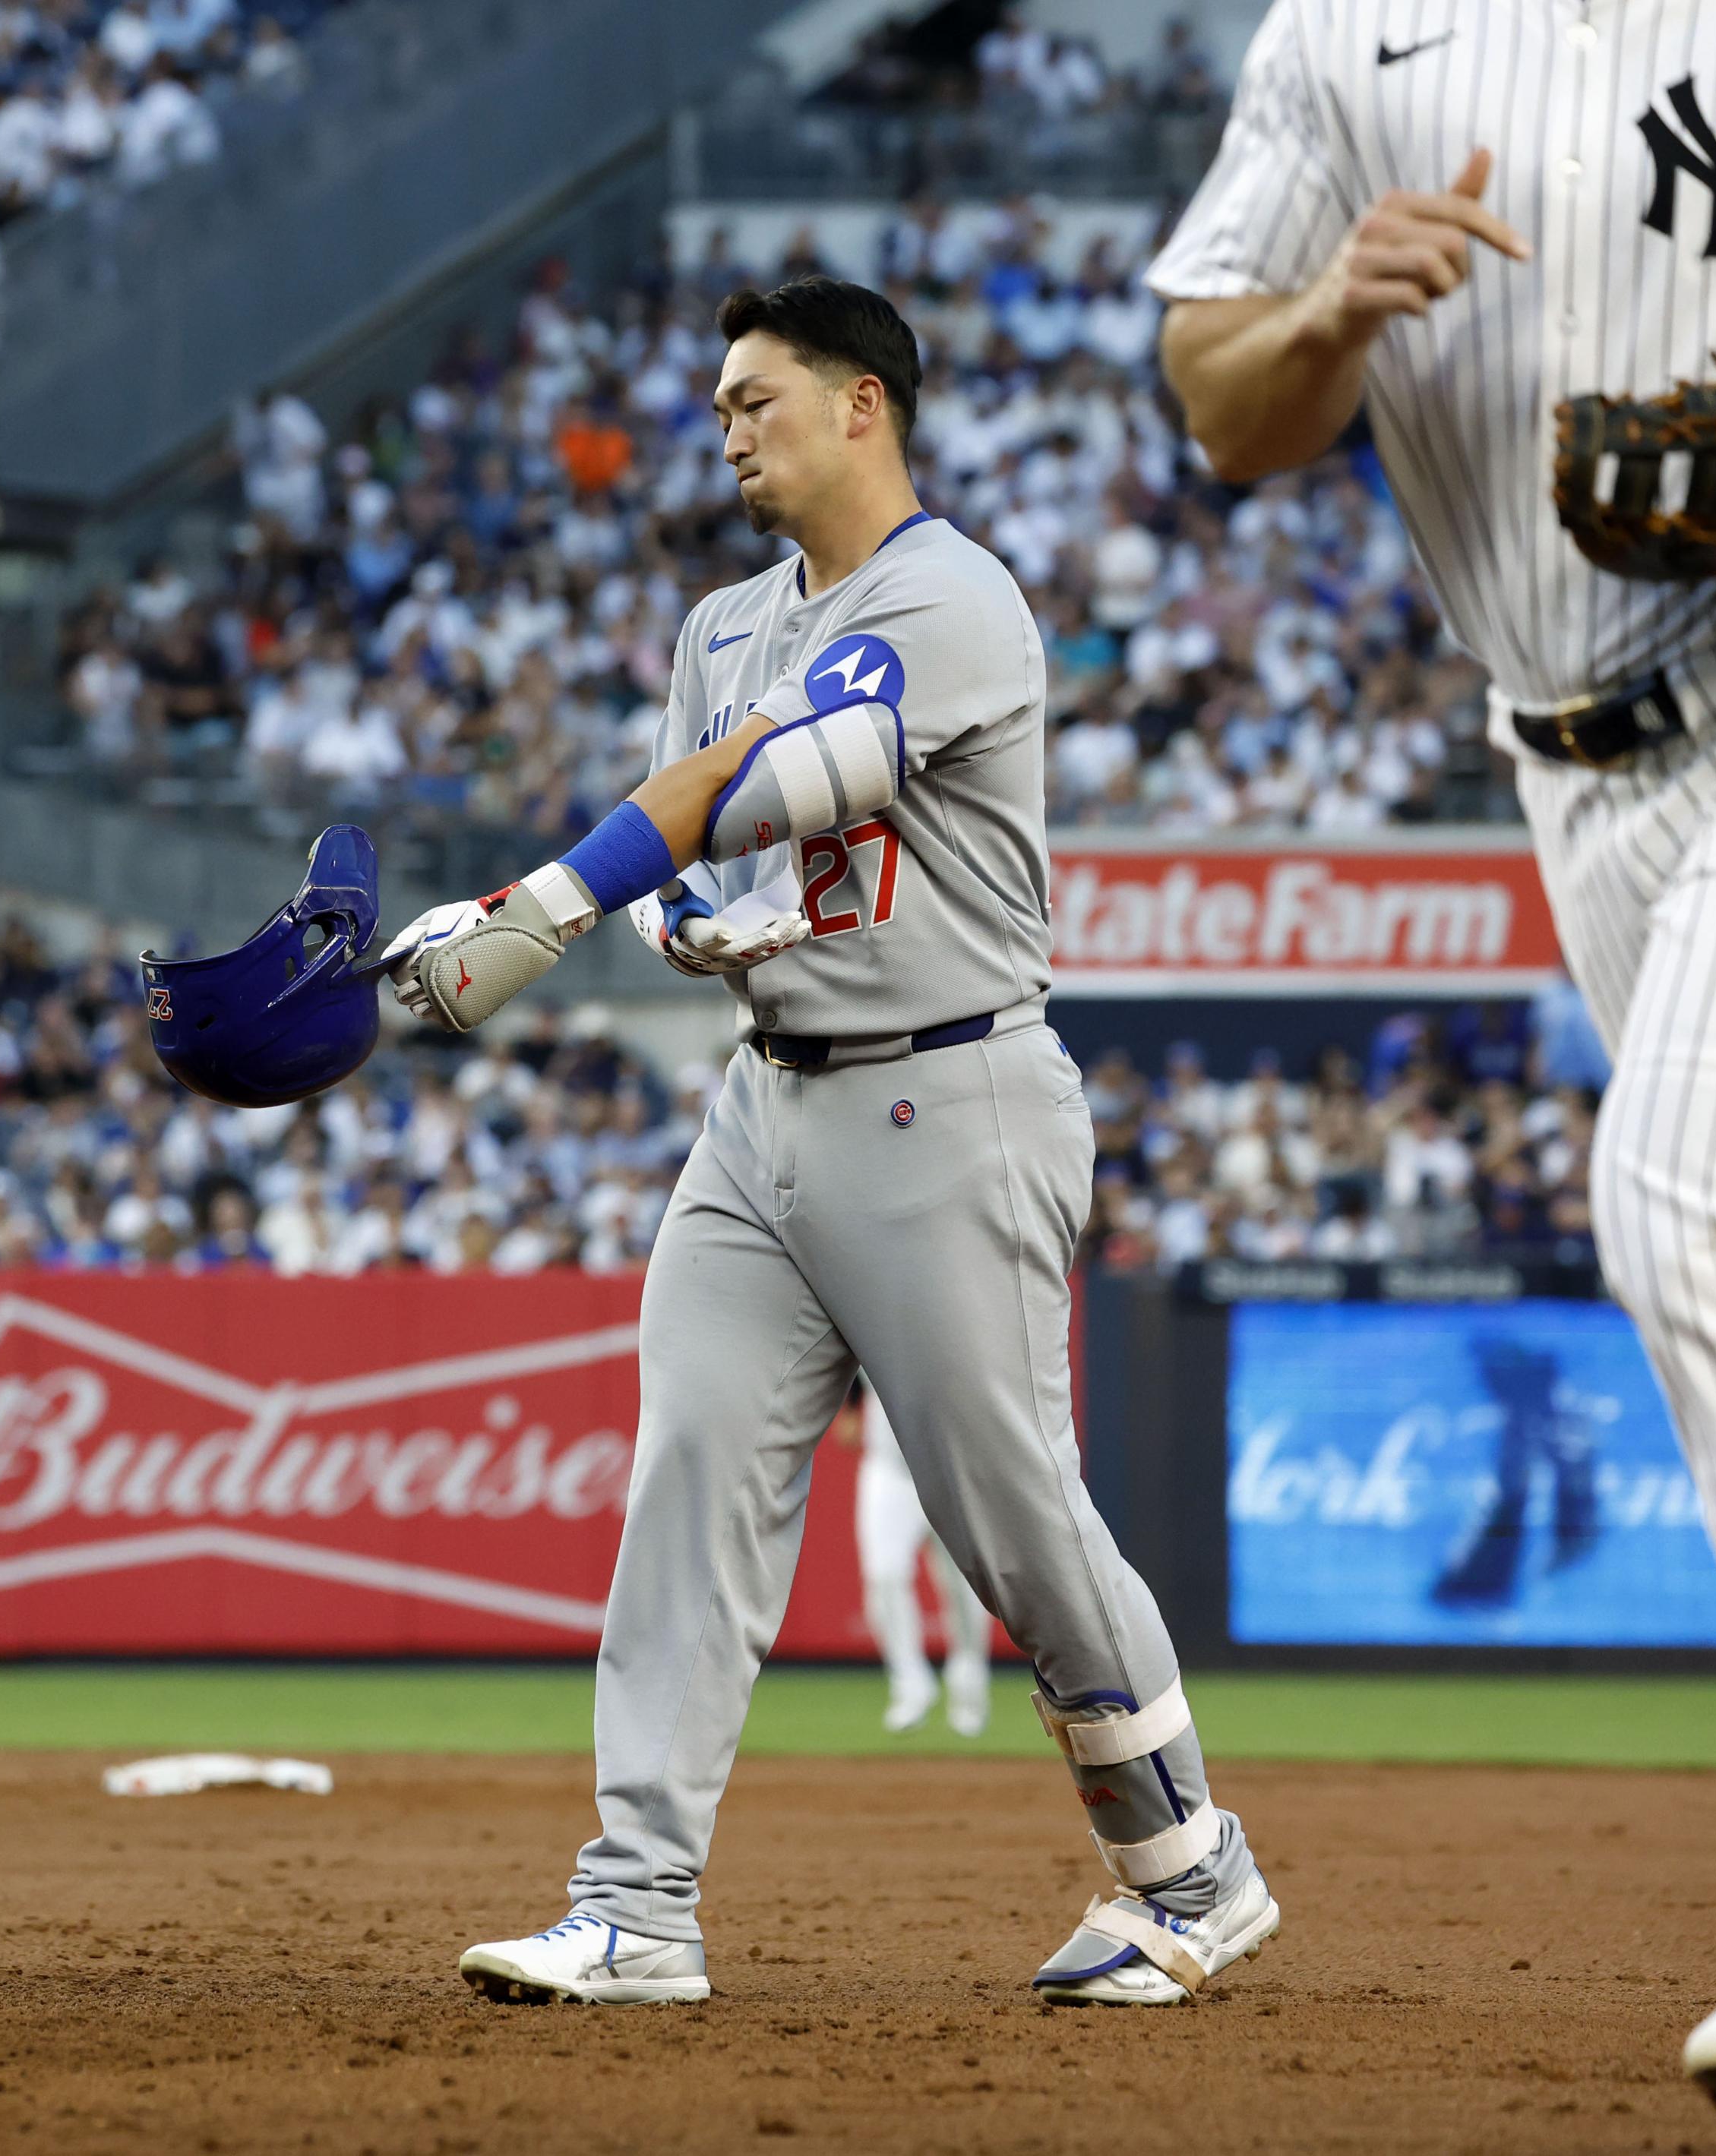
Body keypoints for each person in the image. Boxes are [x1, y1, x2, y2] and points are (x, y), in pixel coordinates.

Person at [1148, 0, 1716, 2101]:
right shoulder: (1339, 37)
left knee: (1689, 1206)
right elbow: (1219, 400)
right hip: (1577, 781)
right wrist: (1329, 306)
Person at [383, 275, 1277, 2009]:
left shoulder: (951, 596)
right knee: (689, 1468)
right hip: (761, 1109)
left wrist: (546, 903)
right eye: (717, 404)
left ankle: (1189, 1864)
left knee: (1007, 1518)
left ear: (861, 403)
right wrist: (670, 929)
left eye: (754, 395)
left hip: (945, 1099)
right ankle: (636, 1902)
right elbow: (701, 851)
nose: (726, 427)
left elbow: (810, 771)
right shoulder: (718, 620)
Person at [834, 1375, 993, 1736]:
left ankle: (969, 1686)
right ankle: (910, 1684)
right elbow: (852, 1357)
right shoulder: (874, 1319)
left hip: (952, 1471)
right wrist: (852, 1406)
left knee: (964, 1587)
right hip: (888, 1471)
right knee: (884, 1576)